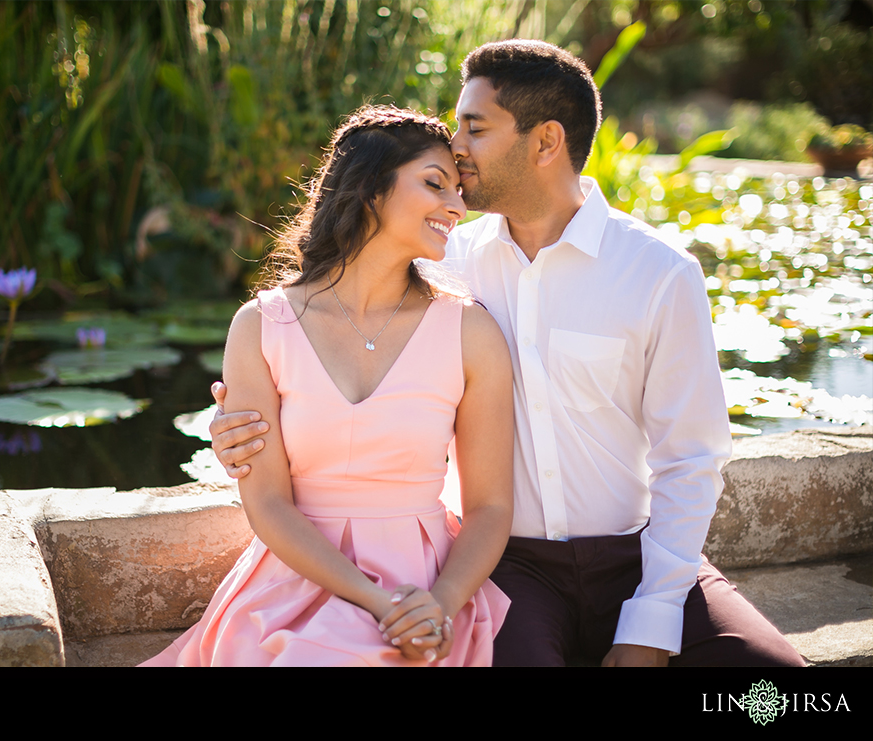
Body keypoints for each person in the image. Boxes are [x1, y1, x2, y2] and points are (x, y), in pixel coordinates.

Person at [209, 40, 806, 667]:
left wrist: (652, 622)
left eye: (475, 126)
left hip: (639, 556)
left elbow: (690, 459)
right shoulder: (446, 261)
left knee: (776, 689)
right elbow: (327, 326)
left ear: (546, 142)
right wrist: (237, 423)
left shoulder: (658, 273)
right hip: (512, 570)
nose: (456, 144)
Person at [141, 105, 513, 667]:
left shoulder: (470, 330)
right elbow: (266, 500)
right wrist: (374, 601)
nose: (457, 206)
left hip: (429, 587)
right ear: (369, 188)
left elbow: (489, 507)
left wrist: (436, 604)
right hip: (293, 581)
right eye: (436, 184)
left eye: (459, 190)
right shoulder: (261, 325)